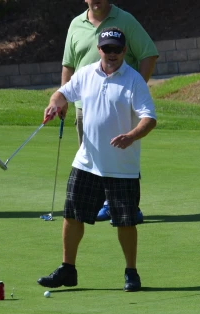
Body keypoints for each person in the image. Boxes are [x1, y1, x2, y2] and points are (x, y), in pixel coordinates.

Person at [38, 27, 157, 292]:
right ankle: (68, 269)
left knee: (125, 221)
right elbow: (62, 93)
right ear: (99, 49)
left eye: (117, 50)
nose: (111, 54)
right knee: (72, 214)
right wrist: (54, 103)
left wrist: (131, 136)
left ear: (124, 51)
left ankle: (131, 272)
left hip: (122, 167)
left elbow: (149, 118)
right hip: (87, 161)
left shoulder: (134, 80)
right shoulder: (86, 74)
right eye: (107, 49)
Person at [61, 0, 158, 223]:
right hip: (84, 106)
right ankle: (97, 203)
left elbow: (148, 53)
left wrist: (134, 88)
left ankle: (129, 206)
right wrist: (63, 97)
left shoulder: (125, 20)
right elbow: (68, 64)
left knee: (122, 153)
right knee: (90, 159)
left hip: (120, 104)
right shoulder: (76, 24)